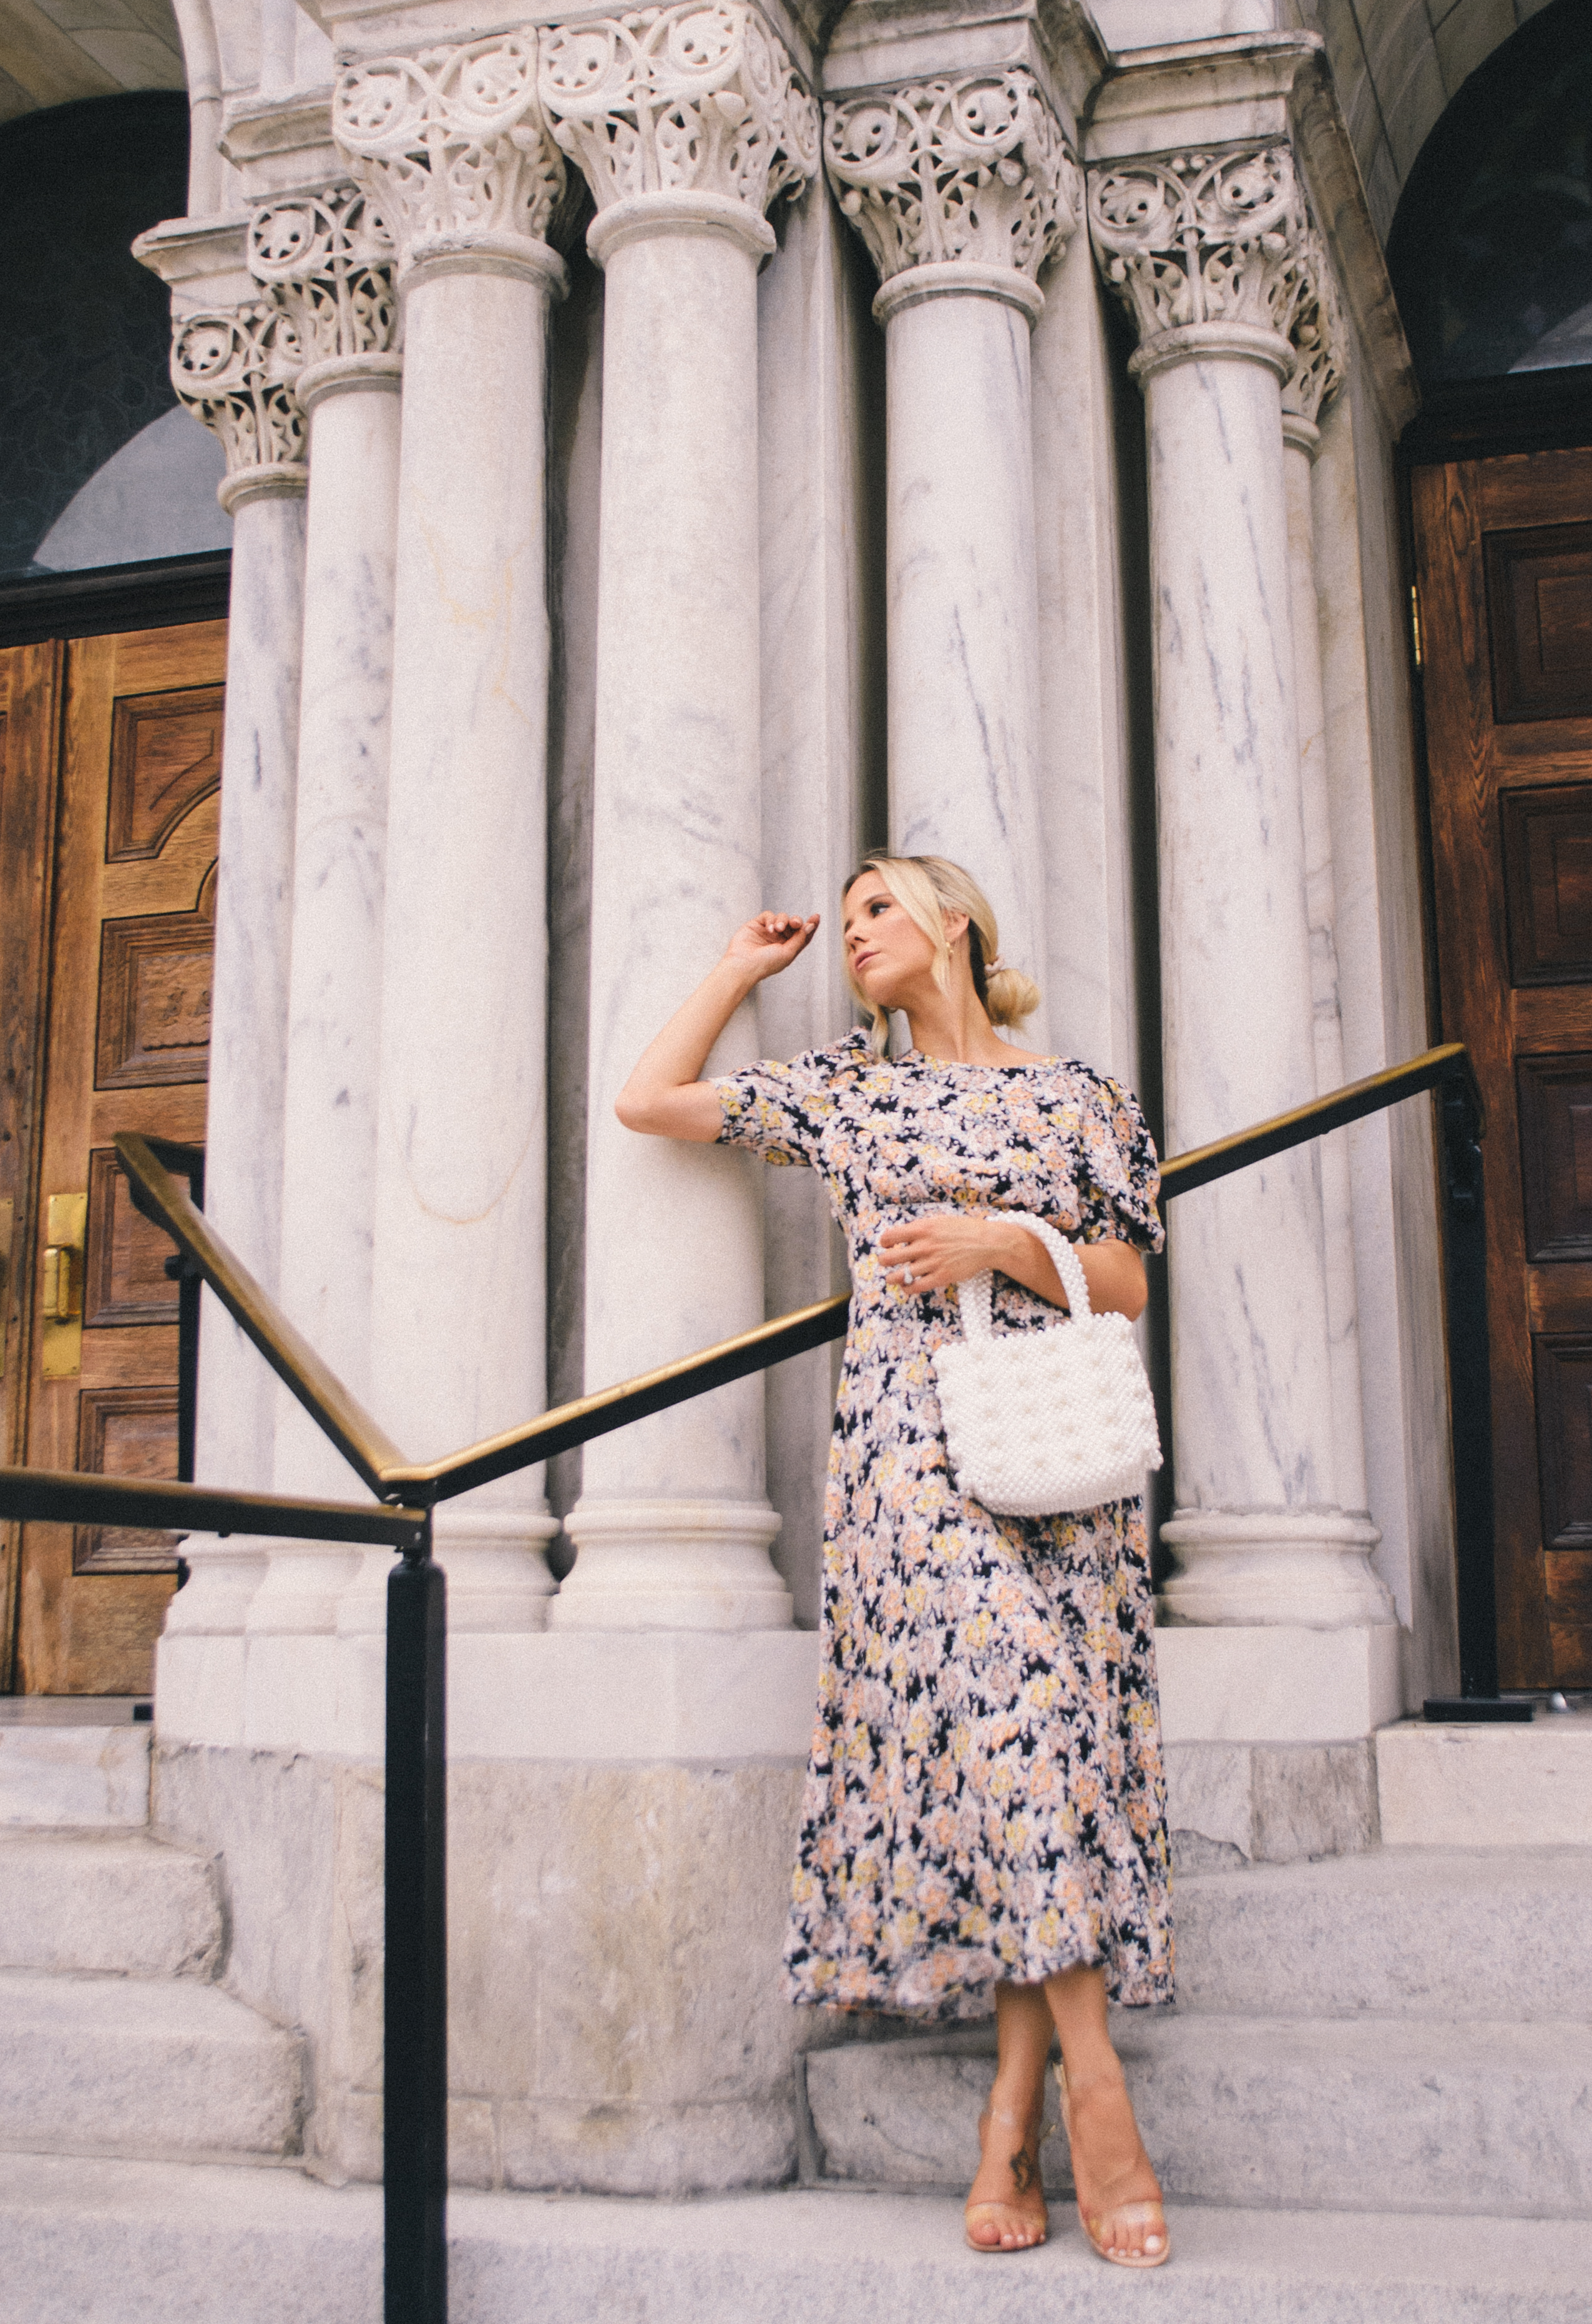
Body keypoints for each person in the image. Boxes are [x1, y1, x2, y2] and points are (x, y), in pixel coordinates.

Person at [616, 852, 1172, 2267]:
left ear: (953, 923)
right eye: (844, 917)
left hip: (1061, 1455)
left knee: (1040, 1746)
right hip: (908, 1460)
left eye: (877, 907)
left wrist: (1004, 1238)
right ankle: (1095, 2101)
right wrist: (740, 965)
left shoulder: (1074, 1094)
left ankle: (1005, 2115)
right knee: (1019, 1733)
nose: (854, 932)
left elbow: (1128, 1280)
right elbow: (648, 1099)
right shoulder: (847, 1091)